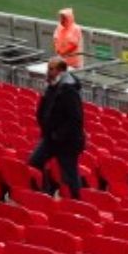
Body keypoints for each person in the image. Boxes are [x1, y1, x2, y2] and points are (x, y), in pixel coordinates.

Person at [29, 58, 87, 198]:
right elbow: (44, 109)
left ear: (61, 71)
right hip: (50, 138)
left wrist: (58, 134)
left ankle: (78, 203)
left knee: (69, 175)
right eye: (48, 68)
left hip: (67, 142)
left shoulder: (69, 90)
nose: (48, 72)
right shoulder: (52, 86)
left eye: (51, 69)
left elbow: (76, 119)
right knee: (34, 162)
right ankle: (46, 193)